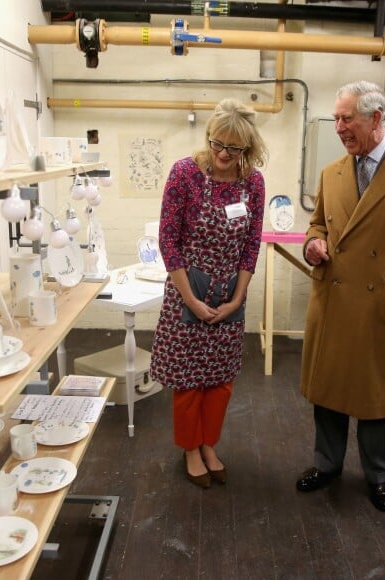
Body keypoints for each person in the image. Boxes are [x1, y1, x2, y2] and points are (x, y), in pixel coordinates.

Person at [295, 81, 385, 512]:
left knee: (376, 400)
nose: (337, 127)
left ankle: (378, 475)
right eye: (336, 118)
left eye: (345, 118)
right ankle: (327, 464)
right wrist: (312, 244)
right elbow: (317, 225)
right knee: (329, 393)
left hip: (381, 305)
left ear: (376, 119)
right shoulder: (331, 172)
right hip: (333, 302)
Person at [149, 98, 267, 488]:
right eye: (218, 143)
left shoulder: (254, 182)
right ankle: (190, 448)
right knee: (187, 382)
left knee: (220, 381)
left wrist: (236, 298)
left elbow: (252, 244)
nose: (222, 153)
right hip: (189, 291)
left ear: (246, 149)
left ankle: (209, 444)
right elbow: (169, 241)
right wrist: (192, 300)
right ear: (209, 136)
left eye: (234, 148)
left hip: (231, 294)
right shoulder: (185, 174)